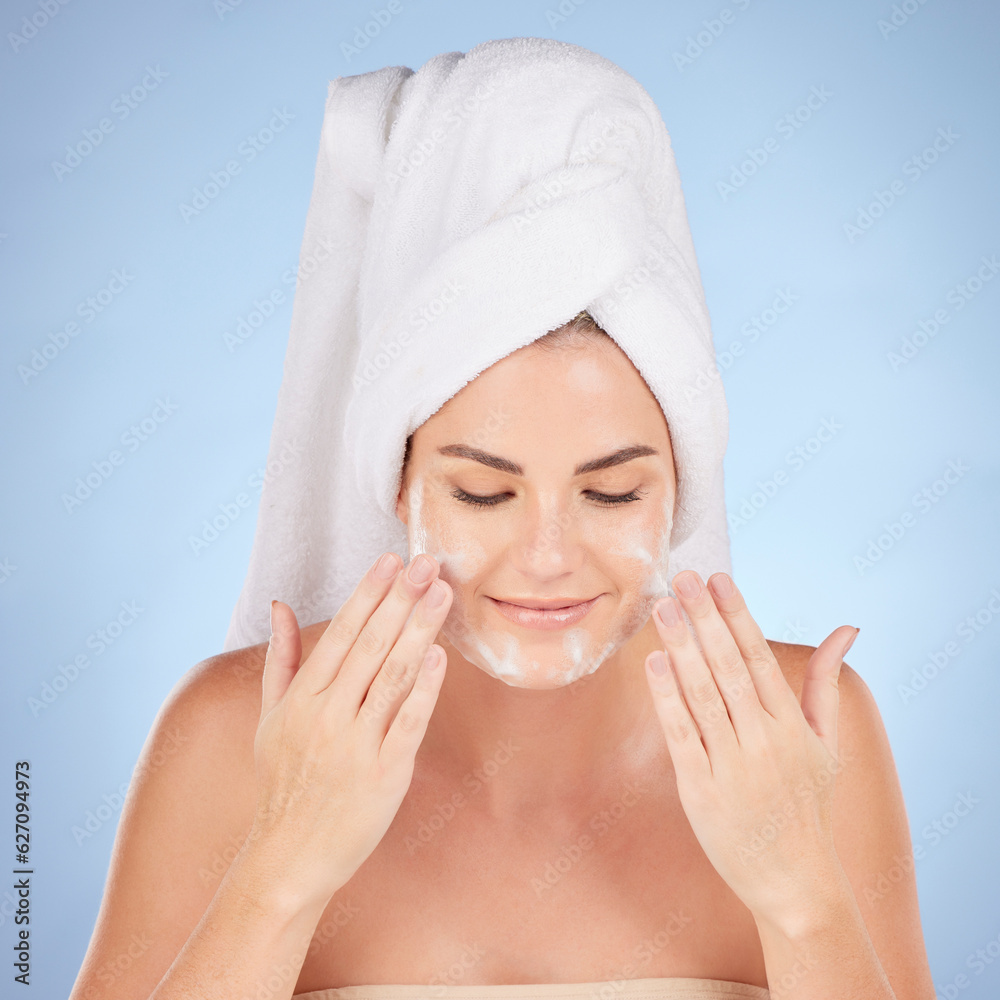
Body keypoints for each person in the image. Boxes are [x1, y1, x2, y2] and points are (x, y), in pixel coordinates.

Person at [69, 37, 935, 1000]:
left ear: (682, 488)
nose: (549, 557)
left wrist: (804, 900)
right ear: (397, 489)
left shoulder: (808, 739)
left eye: (613, 492)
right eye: (483, 493)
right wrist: (279, 871)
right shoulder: (234, 739)